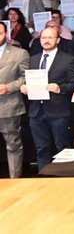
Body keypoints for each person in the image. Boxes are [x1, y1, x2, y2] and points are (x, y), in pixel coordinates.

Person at [20, 26, 74, 171]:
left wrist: (60, 88)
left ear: (57, 40)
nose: (46, 40)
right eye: (44, 38)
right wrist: (24, 87)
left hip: (58, 111)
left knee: (62, 148)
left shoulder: (67, 60)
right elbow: (29, 81)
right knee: (41, 149)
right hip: (36, 112)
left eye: (50, 37)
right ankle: (44, 180)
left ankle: (65, 180)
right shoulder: (33, 60)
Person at [0, 22, 29, 177]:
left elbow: (25, 77)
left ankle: (14, 181)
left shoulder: (19, 53)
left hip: (8, 106)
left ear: (6, 34)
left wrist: (9, 87)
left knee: (13, 146)